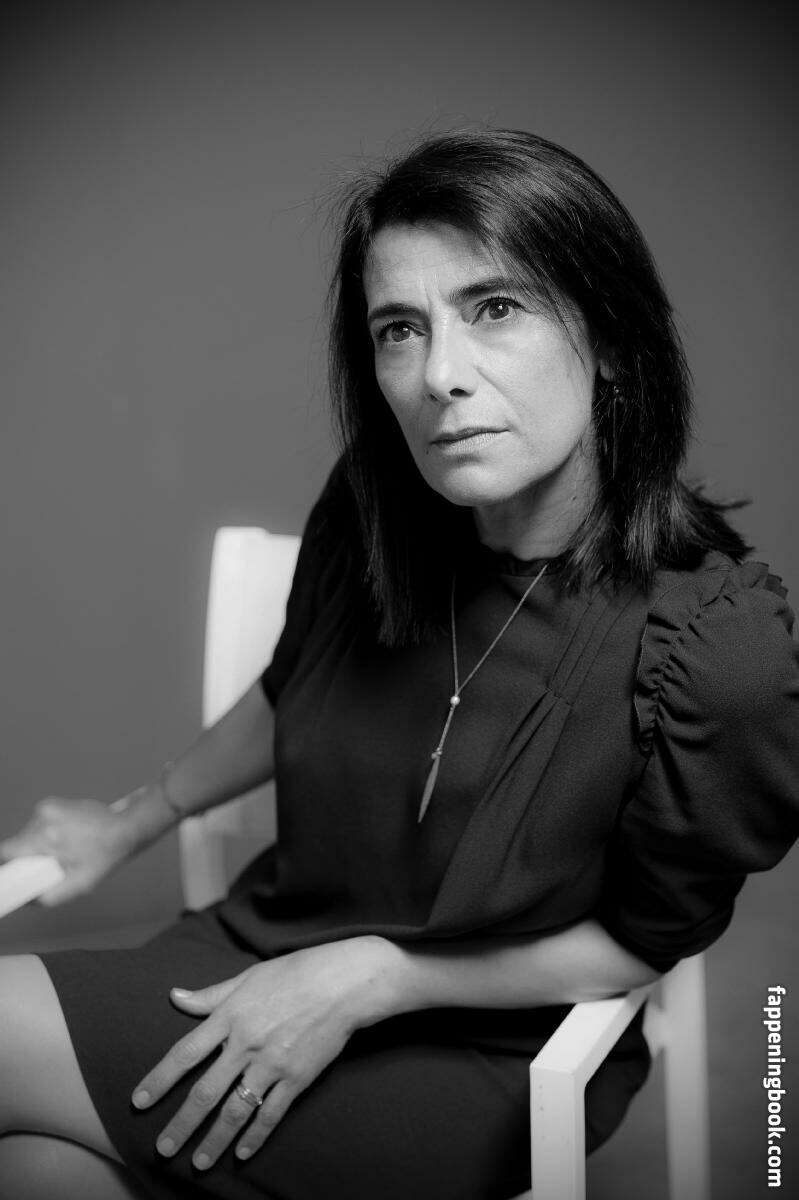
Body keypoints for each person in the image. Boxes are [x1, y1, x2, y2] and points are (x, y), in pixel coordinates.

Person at [1, 128, 798, 1200]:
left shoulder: (714, 649)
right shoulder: (378, 508)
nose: (439, 376)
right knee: (38, 1173)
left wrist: (377, 976)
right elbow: (294, 689)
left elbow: (643, 942)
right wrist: (128, 822)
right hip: (264, 948)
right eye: (399, 329)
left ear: (610, 338)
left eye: (494, 308)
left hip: (490, 1046)